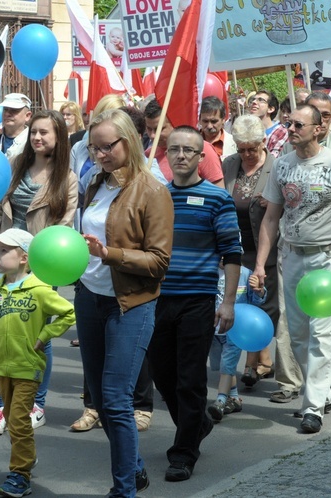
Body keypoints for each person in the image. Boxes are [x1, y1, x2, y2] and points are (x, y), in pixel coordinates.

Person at [77, 109, 173, 495]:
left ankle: (124, 491)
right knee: (101, 400)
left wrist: (110, 254)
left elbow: (159, 262)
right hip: (89, 298)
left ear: (128, 142)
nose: (99, 155)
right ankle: (134, 467)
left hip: (130, 303)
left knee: (117, 401)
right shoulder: (93, 183)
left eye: (107, 147)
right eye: (93, 148)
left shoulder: (152, 191)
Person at [254, 103, 331, 433]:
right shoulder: (282, 165)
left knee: (322, 331)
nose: (290, 130)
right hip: (292, 255)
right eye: (289, 124)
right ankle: (322, 388)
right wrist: (261, 264)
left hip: (326, 257)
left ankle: (313, 405)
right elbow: (271, 217)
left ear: (318, 129)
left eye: (298, 125)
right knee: (299, 334)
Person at [0, 110, 78, 435]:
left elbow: (65, 225)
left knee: (34, 339)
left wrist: (36, 257)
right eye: (34, 132)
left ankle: (36, 404)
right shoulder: (16, 166)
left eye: (44, 133)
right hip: (5, 262)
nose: (37, 138)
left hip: (40, 268)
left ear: (58, 138)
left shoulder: (66, 179)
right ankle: (4, 406)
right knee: (2, 336)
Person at [149, 126, 242, 482]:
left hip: (197, 302)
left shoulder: (218, 199)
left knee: (189, 380)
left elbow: (231, 254)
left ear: (202, 157)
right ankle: (197, 423)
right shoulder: (156, 196)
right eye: (175, 150)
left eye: (189, 150)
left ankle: (183, 452)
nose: (182, 156)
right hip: (158, 301)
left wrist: (228, 303)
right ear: (167, 155)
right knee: (163, 376)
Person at [0, 228, 76, 497]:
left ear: (24, 257)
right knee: (10, 418)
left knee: (19, 421)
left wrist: (45, 335)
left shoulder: (40, 289)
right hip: (1, 366)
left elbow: (68, 313)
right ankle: (26, 457)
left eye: (3, 251)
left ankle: (20, 474)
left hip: (28, 367)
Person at [221, 115, 279, 391]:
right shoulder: (229, 164)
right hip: (235, 248)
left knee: (262, 306)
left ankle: (249, 368)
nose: (245, 154)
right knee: (237, 305)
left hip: (265, 248)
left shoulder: (276, 167)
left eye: (251, 149)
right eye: (240, 148)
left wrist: (274, 202)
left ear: (263, 142)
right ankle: (259, 361)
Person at [208, 265, 265, 421]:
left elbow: (255, 304)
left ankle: (220, 400)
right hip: (214, 330)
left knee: (227, 364)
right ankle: (233, 398)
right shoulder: (210, 270)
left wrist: (258, 291)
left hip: (235, 330)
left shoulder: (245, 274)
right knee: (223, 366)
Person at [144, 99, 224, 186]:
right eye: (149, 129)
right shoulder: (148, 155)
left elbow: (218, 193)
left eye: (159, 129)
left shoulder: (202, 149)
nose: (152, 135)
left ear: (174, 123)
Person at [0, 93, 32, 159]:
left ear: (27, 116)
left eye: (14, 110)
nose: (7, 114)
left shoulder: (32, 142)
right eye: (5, 109)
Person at [248, 90, 288, 157]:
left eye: (260, 100)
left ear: (270, 109)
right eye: (253, 99)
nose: (254, 102)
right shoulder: (247, 131)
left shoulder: (281, 132)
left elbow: (273, 159)